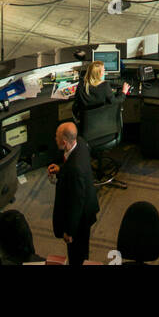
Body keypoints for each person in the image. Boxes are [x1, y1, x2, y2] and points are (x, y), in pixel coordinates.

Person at [49, 122, 100, 267]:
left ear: (64, 143)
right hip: (87, 205)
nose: (55, 139)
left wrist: (70, 231)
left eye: (57, 137)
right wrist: (61, 169)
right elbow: (72, 163)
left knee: (77, 256)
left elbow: (76, 203)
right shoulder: (81, 144)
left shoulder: (75, 170)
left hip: (80, 219)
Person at [73, 60, 114, 127]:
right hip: (103, 122)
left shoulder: (81, 85)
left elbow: (76, 104)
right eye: (103, 70)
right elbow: (114, 102)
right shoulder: (105, 86)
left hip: (85, 124)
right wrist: (123, 93)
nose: (104, 71)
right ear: (99, 73)